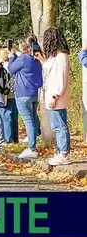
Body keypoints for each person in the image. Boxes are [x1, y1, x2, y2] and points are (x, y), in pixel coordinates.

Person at [37, 28, 71, 166]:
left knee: (61, 125)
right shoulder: (54, 57)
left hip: (56, 96)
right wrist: (41, 59)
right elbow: (48, 70)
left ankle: (64, 153)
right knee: (56, 125)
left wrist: (55, 95)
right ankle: (59, 150)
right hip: (51, 95)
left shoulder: (62, 56)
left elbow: (61, 78)